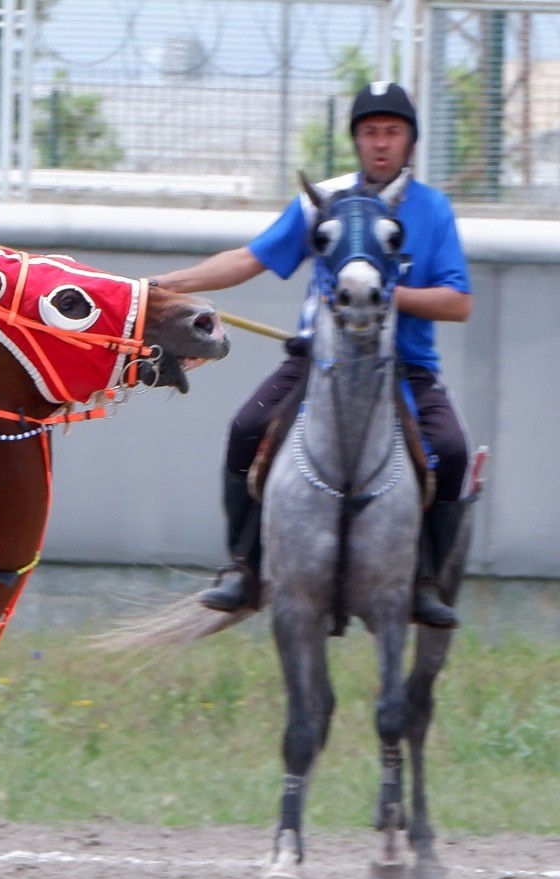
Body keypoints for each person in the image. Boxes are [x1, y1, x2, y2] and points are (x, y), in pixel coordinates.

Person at [151, 81, 474, 629]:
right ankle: (245, 568)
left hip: (406, 366)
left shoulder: (432, 209)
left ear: (410, 142)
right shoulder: (321, 200)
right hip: (318, 361)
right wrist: (159, 285)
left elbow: (458, 302)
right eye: (370, 132)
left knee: (453, 450)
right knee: (246, 427)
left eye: (392, 132)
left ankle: (425, 582)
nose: (380, 143)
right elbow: (248, 259)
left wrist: (376, 292)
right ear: (355, 140)